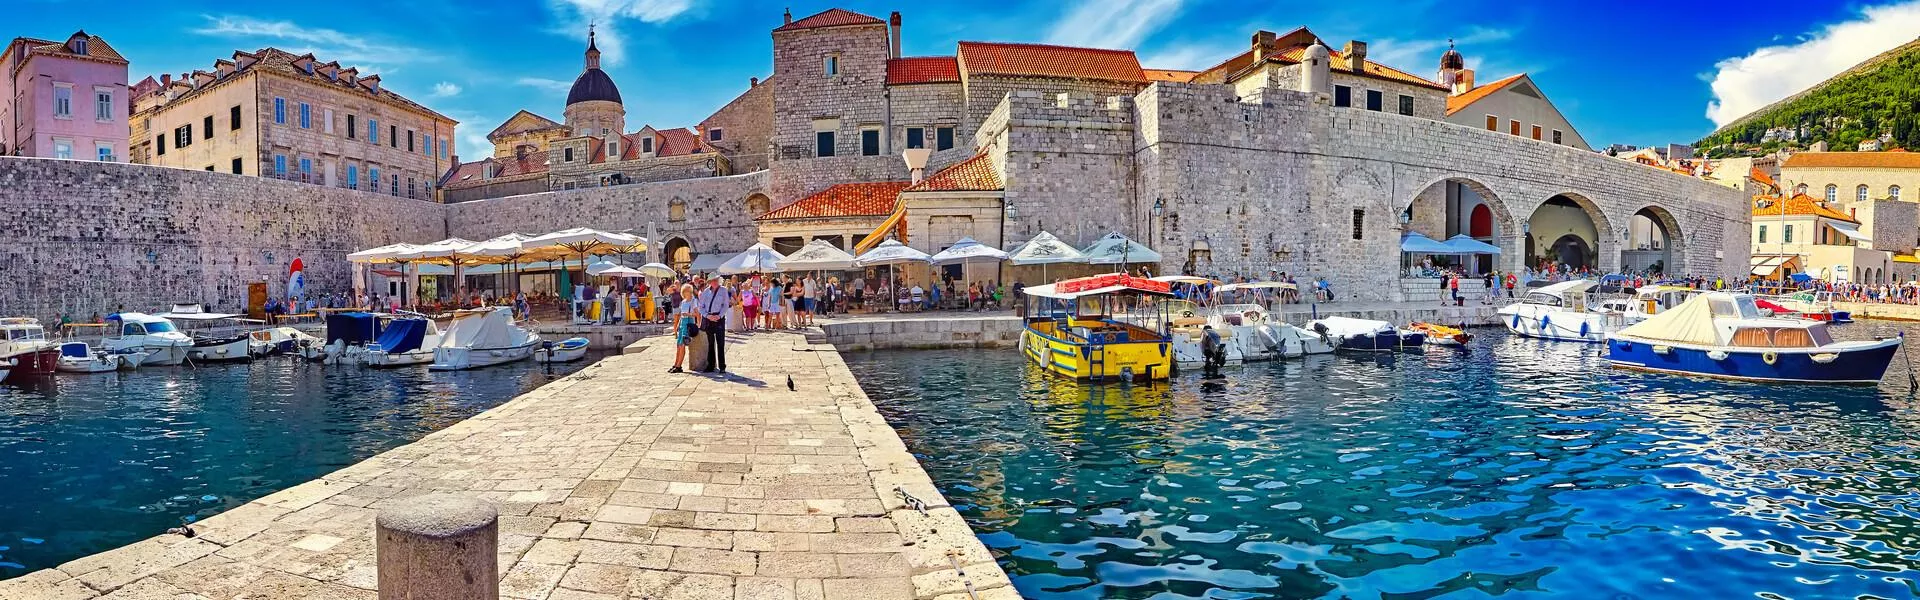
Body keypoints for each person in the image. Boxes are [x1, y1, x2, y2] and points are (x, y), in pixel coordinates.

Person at [695, 276, 731, 374]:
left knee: (720, 343)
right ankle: (711, 365)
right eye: (713, 280)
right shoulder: (706, 292)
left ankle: (722, 366)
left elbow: (726, 304)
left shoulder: (723, 290)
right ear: (710, 282)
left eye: (716, 280)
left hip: (719, 318)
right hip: (709, 319)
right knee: (710, 343)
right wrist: (707, 316)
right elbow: (701, 307)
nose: (714, 282)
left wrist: (719, 316)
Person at [668, 283, 696, 373]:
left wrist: (689, 314)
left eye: (687, 291)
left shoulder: (693, 301)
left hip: (688, 323)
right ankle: (676, 364)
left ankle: (679, 365)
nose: (686, 293)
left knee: (682, 345)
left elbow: (697, 314)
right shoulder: (683, 302)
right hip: (682, 324)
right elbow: (680, 315)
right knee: (678, 345)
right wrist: (677, 327)